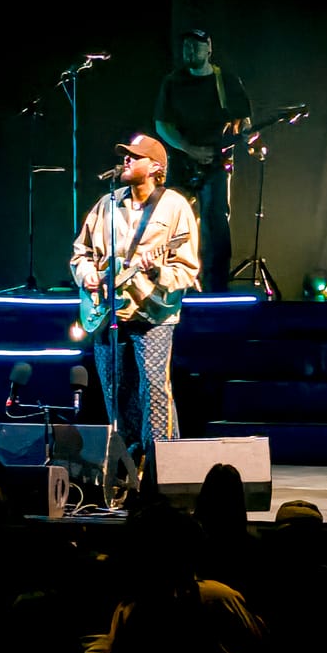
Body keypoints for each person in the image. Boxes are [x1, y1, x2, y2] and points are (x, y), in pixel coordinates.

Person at [70, 133, 200, 479]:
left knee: (154, 389)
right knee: (115, 389)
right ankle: (127, 463)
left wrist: (156, 268)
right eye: (125, 156)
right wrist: (87, 276)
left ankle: (162, 467)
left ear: (156, 167)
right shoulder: (107, 204)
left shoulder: (175, 207)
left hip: (153, 313)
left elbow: (187, 268)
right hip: (107, 312)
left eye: (135, 157)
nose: (126, 160)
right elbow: (80, 253)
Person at [155, 28, 253, 294]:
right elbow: (162, 124)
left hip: (216, 164)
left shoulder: (227, 81)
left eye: (196, 47)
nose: (190, 52)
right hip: (181, 163)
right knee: (170, 223)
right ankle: (170, 285)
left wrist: (244, 133)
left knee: (215, 223)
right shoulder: (173, 82)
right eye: (186, 46)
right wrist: (188, 148)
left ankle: (215, 289)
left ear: (209, 48)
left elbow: (243, 119)